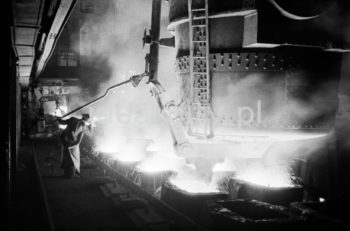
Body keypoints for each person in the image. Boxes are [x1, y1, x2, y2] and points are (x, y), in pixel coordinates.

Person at [58, 114, 92, 178]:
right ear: (87, 120)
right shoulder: (84, 126)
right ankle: (70, 175)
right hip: (73, 145)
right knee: (72, 160)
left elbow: (62, 122)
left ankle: (66, 174)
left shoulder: (72, 119)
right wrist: (90, 127)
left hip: (65, 142)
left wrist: (59, 119)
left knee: (66, 158)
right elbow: (90, 134)